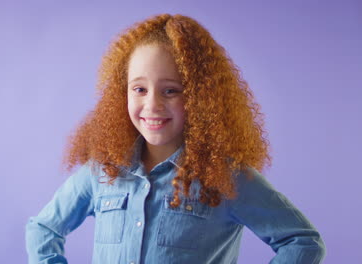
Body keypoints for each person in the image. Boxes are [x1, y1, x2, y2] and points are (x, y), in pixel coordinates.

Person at [25, 14, 326, 264]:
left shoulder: (227, 178)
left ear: (199, 98)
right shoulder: (102, 172)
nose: (152, 104)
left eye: (171, 90)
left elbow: (302, 242)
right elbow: (42, 230)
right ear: (123, 93)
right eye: (139, 89)